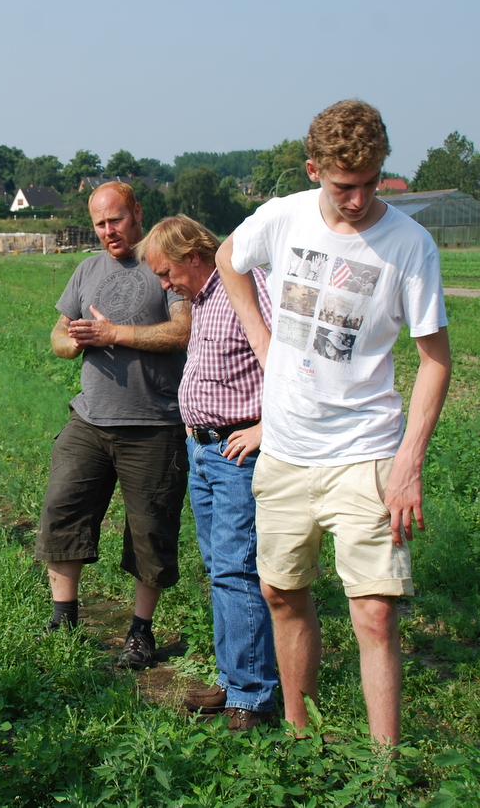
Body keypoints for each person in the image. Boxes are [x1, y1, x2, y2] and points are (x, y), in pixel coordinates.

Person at [215, 99, 452, 744]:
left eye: (372, 182)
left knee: (374, 613)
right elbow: (228, 258)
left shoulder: (409, 244)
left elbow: (435, 362)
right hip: (288, 451)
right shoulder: (285, 215)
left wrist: (408, 464)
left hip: (366, 451)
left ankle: (385, 765)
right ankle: (302, 739)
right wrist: (265, 346)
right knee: (283, 594)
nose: (358, 199)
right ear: (314, 168)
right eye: (345, 185)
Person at [34, 181, 191, 668]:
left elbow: (184, 330)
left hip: (154, 424)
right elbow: (58, 332)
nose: (108, 232)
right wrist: (75, 340)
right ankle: (65, 619)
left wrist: (113, 333)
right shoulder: (87, 269)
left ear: (136, 213)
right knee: (62, 510)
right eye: (100, 223)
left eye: (116, 220)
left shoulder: (163, 263)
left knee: (150, 532)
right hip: (90, 419)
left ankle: (141, 634)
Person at [140, 215, 277, 731]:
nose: (165, 284)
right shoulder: (204, 299)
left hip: (238, 453)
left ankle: (254, 697)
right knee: (221, 567)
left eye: (165, 272)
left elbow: (285, 360)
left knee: (238, 568)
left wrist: (266, 426)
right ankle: (233, 677)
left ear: (192, 257)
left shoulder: (248, 288)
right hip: (204, 451)